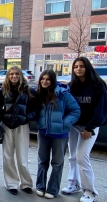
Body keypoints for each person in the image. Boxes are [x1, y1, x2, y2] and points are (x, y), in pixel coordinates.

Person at [61, 57, 107, 202]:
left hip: (89, 127)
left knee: (82, 157)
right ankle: (73, 183)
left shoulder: (98, 86)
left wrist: (90, 128)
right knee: (72, 156)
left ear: (87, 67)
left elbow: (101, 110)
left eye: (81, 66)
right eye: (76, 67)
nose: (78, 69)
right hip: (74, 126)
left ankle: (90, 191)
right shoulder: (72, 85)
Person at [35, 70, 80, 199]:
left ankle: (53, 189)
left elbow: (75, 110)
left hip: (60, 135)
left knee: (57, 162)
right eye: (42, 79)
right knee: (42, 160)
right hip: (43, 132)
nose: (44, 81)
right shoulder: (39, 93)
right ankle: (40, 186)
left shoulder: (63, 94)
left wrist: (64, 124)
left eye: (48, 79)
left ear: (53, 80)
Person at [0, 66, 37, 195]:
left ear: (21, 76)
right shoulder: (3, 91)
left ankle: (26, 183)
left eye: (17, 74)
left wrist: (27, 118)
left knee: (22, 156)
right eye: (11, 74)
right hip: (6, 126)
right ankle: (11, 183)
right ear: (8, 76)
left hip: (22, 126)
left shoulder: (29, 91)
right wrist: (1, 119)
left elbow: (35, 109)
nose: (14, 76)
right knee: (7, 156)